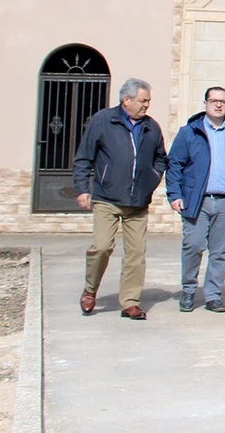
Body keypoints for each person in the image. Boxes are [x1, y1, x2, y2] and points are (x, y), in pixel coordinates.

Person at [73, 78, 167, 321]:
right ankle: (90, 289)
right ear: (127, 100)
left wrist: (152, 179)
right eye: (143, 100)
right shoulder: (103, 121)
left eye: (148, 101)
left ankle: (130, 302)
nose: (147, 105)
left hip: (137, 202)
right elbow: (84, 157)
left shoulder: (151, 127)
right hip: (107, 198)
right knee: (102, 246)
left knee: (136, 254)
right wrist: (83, 189)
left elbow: (160, 157)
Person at [165, 87, 225, 313]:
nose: (218, 105)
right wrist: (175, 194)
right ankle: (188, 291)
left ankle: (213, 295)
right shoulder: (190, 132)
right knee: (193, 246)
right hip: (197, 201)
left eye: (222, 101)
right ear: (205, 103)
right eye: (214, 101)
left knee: (219, 251)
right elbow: (174, 164)